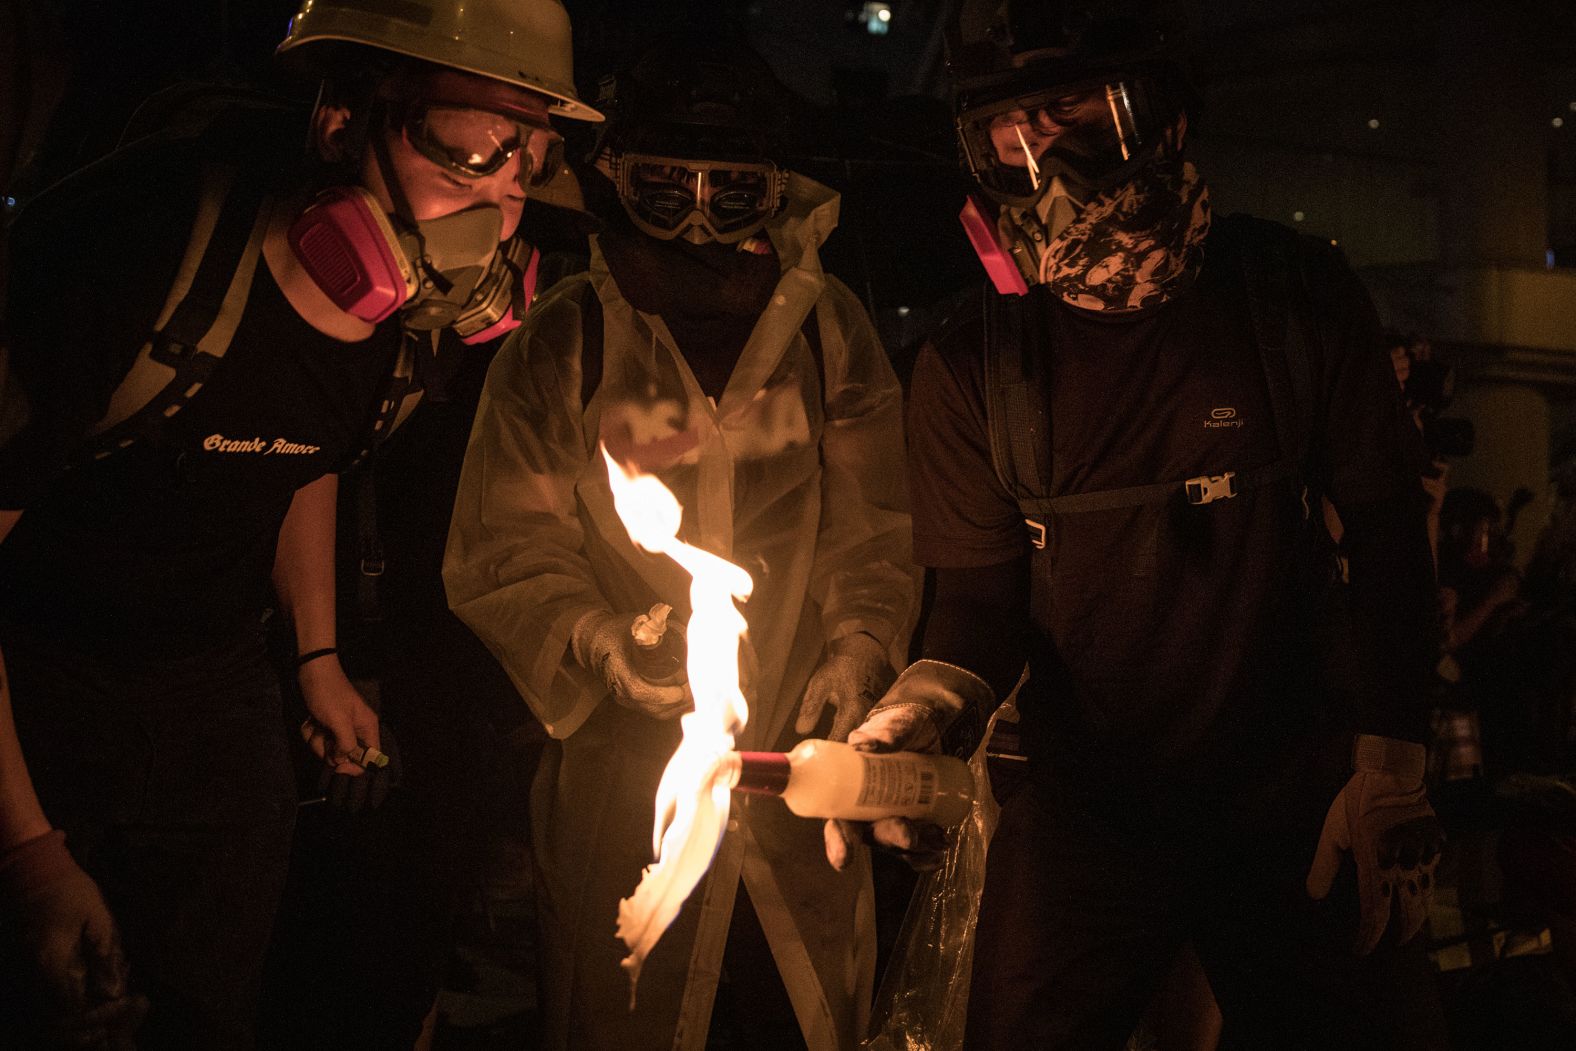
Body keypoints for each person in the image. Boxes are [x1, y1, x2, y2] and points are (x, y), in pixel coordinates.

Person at [835, 4, 1449, 1049]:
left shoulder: (1290, 300)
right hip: (1085, 817)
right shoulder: (968, 367)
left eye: (1083, 112)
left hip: (1296, 801)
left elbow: (1390, 539)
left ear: (1165, 113)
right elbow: (976, 605)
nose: (1052, 158)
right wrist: (926, 705)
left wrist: (1392, 757)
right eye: (1012, 133)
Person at [0, 1, 599, 1046]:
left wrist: (317, 657)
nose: (501, 199)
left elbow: (300, 450)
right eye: (467, 143)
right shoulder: (128, 249)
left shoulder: (413, 335)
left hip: (210, 677)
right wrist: (29, 857)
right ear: (339, 122)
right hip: (28, 664)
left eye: (528, 159)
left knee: (198, 1004)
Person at [443, 42, 914, 1051]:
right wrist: (596, 639)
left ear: (775, 196)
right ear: (616, 184)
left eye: (730, 192)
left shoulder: (829, 335)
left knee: (798, 1015)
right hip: (626, 784)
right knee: (633, 1001)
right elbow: (506, 549)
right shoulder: (562, 343)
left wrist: (857, 646)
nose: (697, 220)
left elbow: (875, 528)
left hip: (802, 763)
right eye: (666, 190)